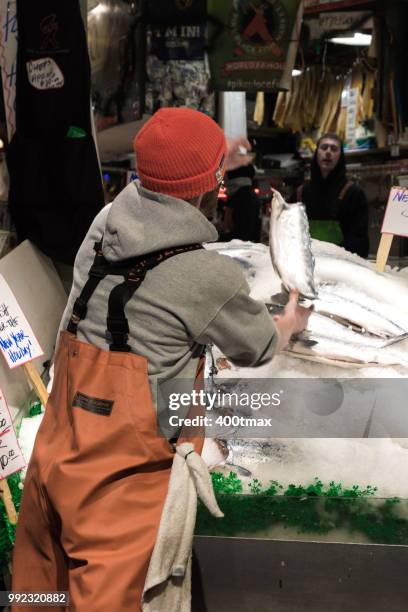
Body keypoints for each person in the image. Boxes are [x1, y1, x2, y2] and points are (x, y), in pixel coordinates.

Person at [12, 108, 311, 611]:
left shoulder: (105, 224)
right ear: (209, 187)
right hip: (119, 490)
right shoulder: (204, 276)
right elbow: (258, 345)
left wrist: (214, 162)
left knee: (38, 596)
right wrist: (291, 324)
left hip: (57, 453)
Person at [297, 133, 369, 258]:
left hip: (341, 267)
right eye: (324, 148)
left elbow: (360, 242)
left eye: (334, 149)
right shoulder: (301, 193)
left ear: (340, 156)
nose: (328, 152)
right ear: (316, 153)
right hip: (306, 265)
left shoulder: (354, 194)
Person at [221, 163, 262, 242]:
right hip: (253, 244)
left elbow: (227, 224)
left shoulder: (234, 196)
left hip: (236, 243)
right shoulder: (254, 196)